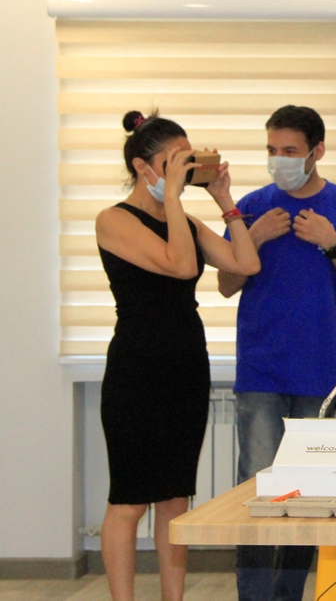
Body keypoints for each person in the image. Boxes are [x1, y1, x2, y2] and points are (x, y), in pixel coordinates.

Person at [218, 105, 336, 601]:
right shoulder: (251, 207)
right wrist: (253, 238)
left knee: (306, 492)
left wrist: (333, 246)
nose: (279, 160)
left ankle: (288, 594)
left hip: (321, 374)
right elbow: (226, 284)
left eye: (290, 151)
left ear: (317, 152)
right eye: (272, 150)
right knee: (255, 488)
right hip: (261, 372)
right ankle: (253, 595)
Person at [96, 111, 260, 601]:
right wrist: (170, 197)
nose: (184, 172)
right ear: (141, 166)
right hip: (136, 369)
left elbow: (245, 263)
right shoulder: (113, 220)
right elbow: (181, 265)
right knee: (129, 500)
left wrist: (225, 200)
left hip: (185, 364)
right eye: (175, 162)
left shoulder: (184, 220)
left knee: (174, 499)